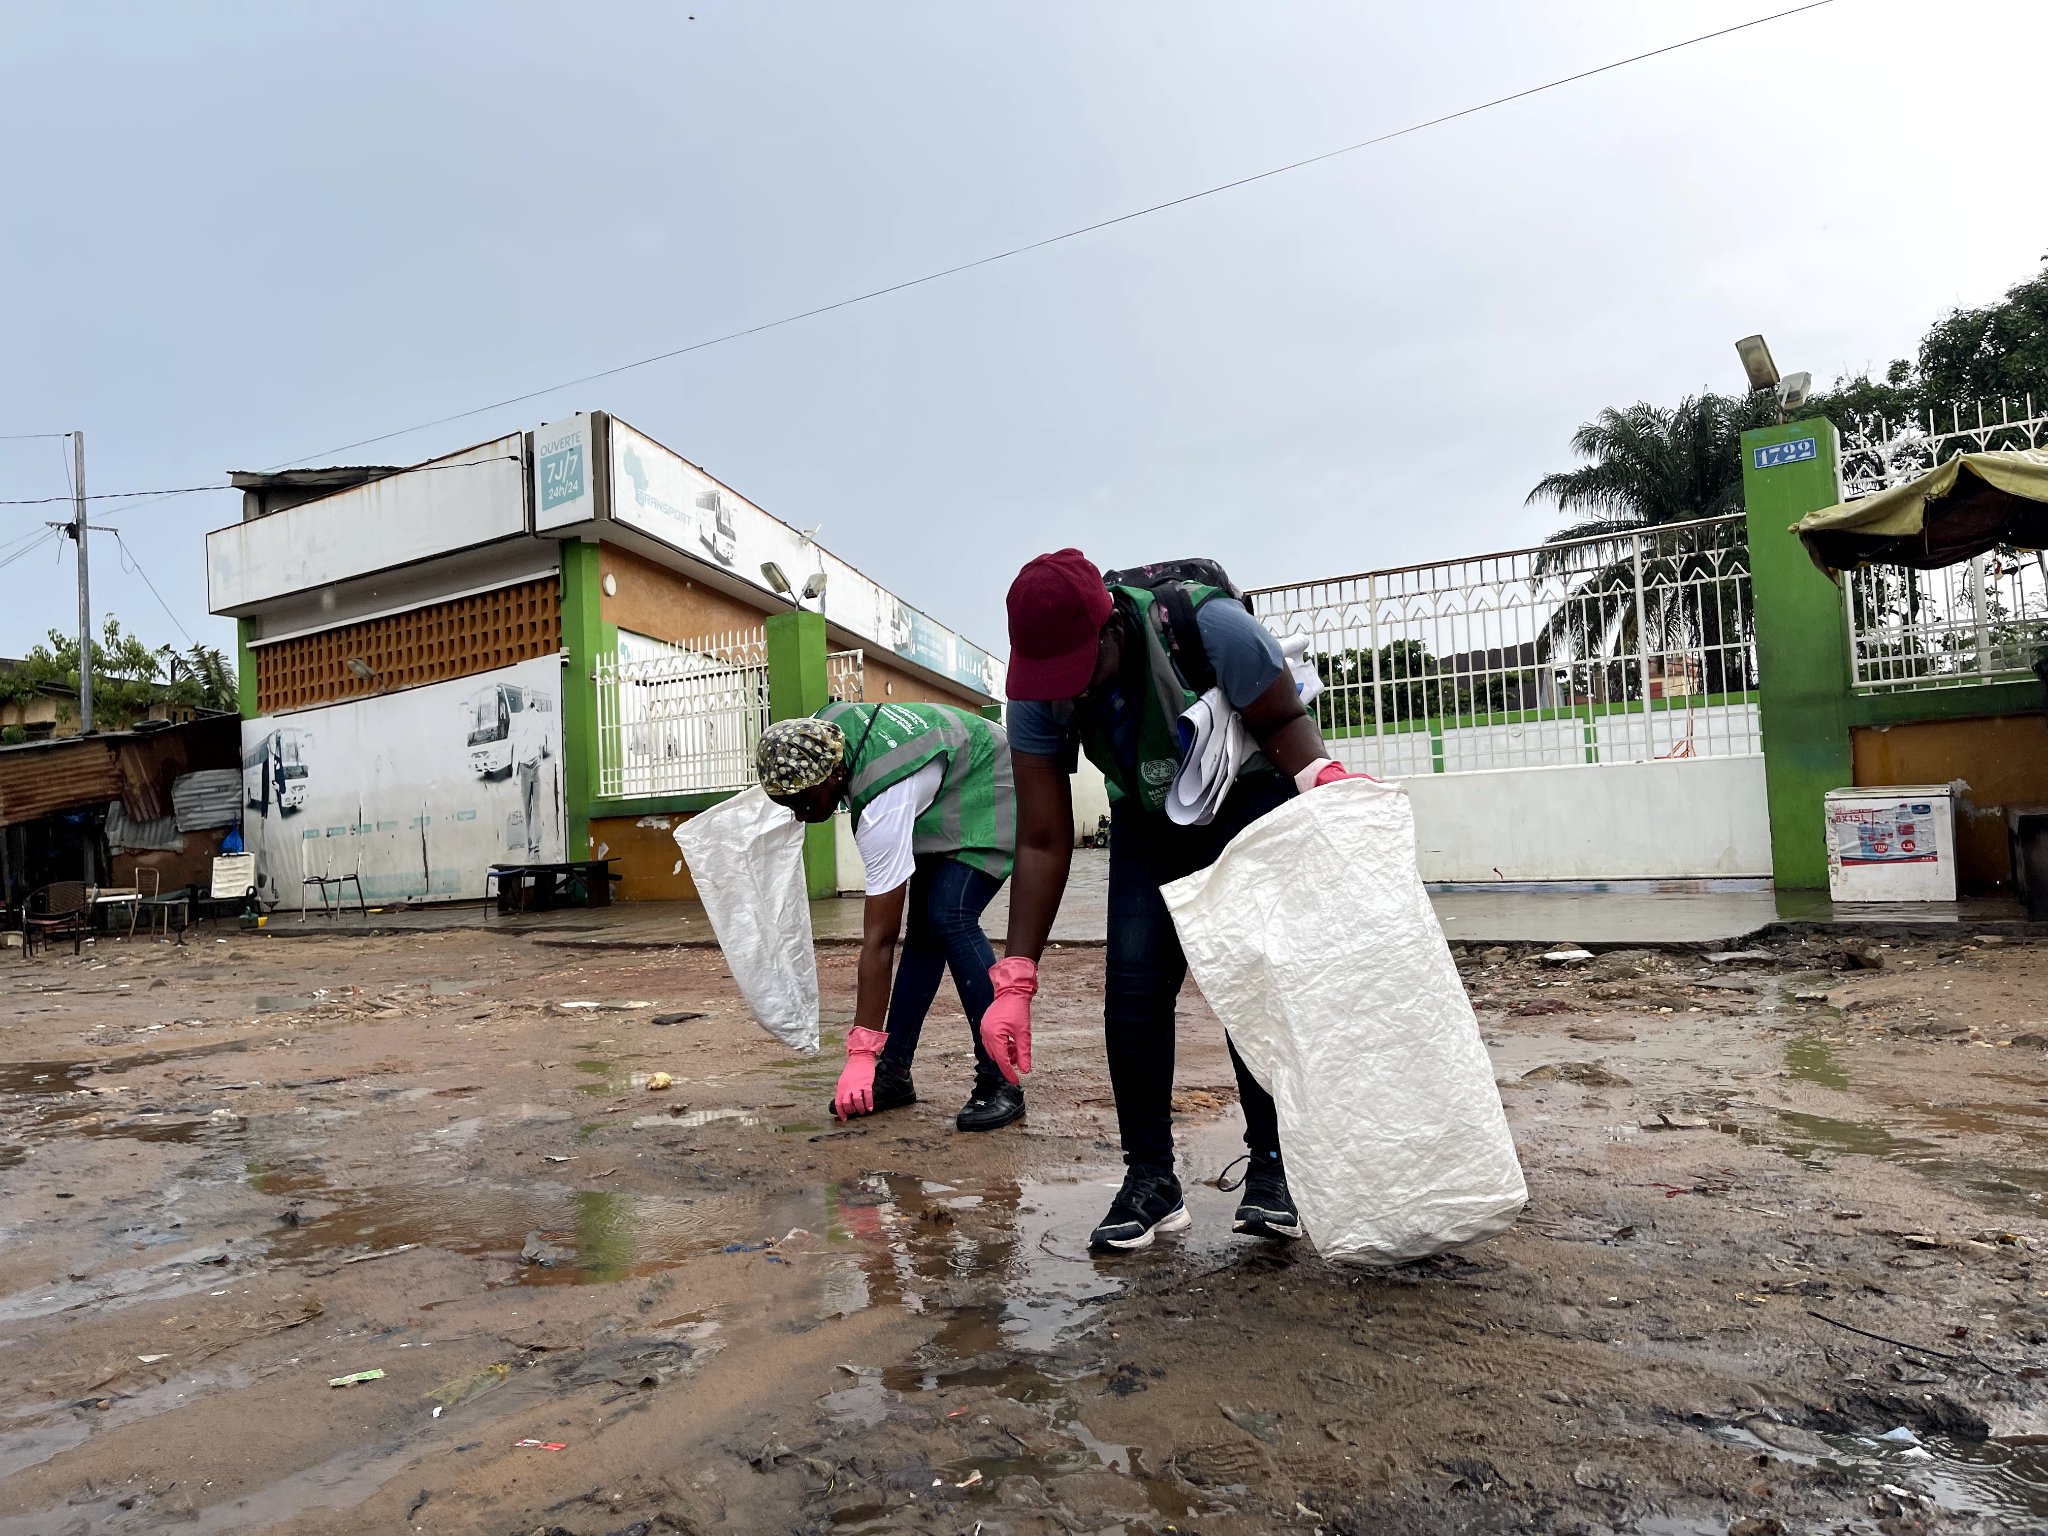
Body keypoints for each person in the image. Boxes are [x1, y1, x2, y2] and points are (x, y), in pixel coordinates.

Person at [979, 550, 1363, 1252]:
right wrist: (1017, 975)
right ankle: (1151, 1180)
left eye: (1077, 670)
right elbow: (1040, 838)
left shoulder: (1212, 628)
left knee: (1253, 983)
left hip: (1247, 795)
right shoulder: (1036, 695)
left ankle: (1275, 1171)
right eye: (1049, 679)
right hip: (1148, 820)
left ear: (1110, 630)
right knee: (1132, 990)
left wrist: (1324, 779)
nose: (1066, 693)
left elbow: (1284, 724)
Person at [755, 701, 1024, 1132]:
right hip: (943, 779)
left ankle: (1000, 1079)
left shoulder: (882, 800)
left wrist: (860, 1051)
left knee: (949, 914)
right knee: (925, 932)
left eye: (804, 802)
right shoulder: (819, 739)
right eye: (787, 805)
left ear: (834, 775)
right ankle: (895, 1073)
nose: (800, 815)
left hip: (990, 774)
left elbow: (879, 941)